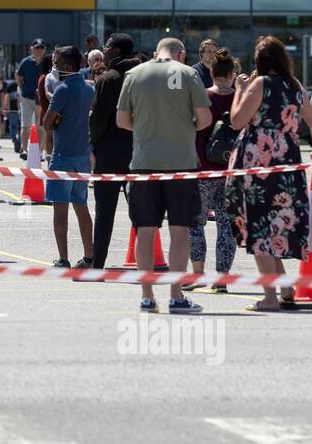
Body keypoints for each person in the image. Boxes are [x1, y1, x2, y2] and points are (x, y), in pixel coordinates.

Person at [226, 37, 312, 311]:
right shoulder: (295, 88)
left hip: (258, 163)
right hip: (288, 162)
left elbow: (236, 121)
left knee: (258, 228)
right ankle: (284, 287)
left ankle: (270, 298)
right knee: (273, 226)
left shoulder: (260, 84)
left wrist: (238, 91)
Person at [116, 37, 211, 313]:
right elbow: (204, 118)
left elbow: (122, 120)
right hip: (181, 162)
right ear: (181, 54)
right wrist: (182, 128)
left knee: (145, 231)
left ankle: (147, 296)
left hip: (144, 162)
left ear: (157, 52)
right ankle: (176, 295)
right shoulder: (188, 73)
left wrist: (148, 131)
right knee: (179, 230)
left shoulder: (135, 74)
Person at [89, 33, 141, 268]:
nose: (104, 50)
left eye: (107, 47)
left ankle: (98, 263)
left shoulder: (107, 79)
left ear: (117, 52)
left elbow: (97, 119)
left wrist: (94, 144)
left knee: (104, 213)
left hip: (109, 152)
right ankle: (148, 263)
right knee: (142, 213)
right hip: (141, 151)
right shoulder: (143, 77)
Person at [42, 45, 95, 268]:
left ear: (66, 66)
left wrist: (57, 119)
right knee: (81, 205)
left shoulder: (63, 90)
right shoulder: (89, 89)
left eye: (56, 64)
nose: (54, 68)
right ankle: (89, 256)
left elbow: (47, 123)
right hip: (83, 155)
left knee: (60, 209)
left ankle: (63, 258)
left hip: (62, 156)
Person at [188, 48, 238, 281]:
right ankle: (222, 277)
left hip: (203, 168)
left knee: (196, 223)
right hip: (231, 171)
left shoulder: (203, 97)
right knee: (226, 225)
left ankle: (198, 274)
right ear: (232, 74)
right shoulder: (240, 99)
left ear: (211, 70)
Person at [15, 38, 45, 157]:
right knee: (25, 125)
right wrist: (21, 88)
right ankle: (24, 150)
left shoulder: (47, 61)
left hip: (41, 98)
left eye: (41, 47)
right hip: (27, 97)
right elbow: (18, 75)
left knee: (40, 127)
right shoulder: (26, 61)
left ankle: (38, 151)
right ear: (32, 48)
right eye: (37, 47)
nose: (39, 50)